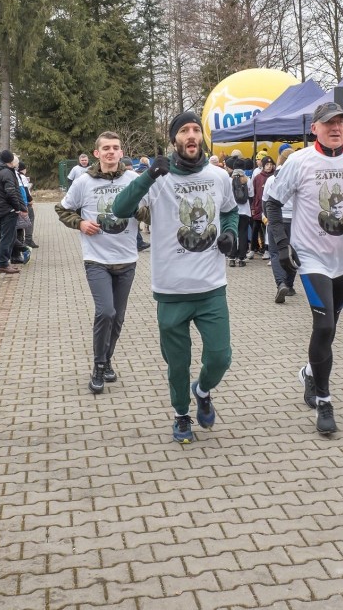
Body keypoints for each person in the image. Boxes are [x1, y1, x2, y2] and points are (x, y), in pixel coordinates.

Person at [113, 111, 239, 444]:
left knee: (221, 356)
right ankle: (181, 414)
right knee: (177, 362)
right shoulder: (158, 177)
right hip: (170, 289)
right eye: (184, 130)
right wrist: (146, 177)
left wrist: (229, 232)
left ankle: (204, 389)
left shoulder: (218, 176)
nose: (191, 135)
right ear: (174, 140)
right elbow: (120, 209)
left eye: (196, 129)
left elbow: (229, 209)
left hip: (212, 287)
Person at [266, 102, 343, 435]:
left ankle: (308, 372)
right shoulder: (300, 161)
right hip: (311, 256)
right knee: (325, 325)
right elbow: (273, 202)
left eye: (341, 122)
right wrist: (282, 242)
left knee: (330, 329)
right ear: (314, 128)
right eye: (328, 122)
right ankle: (324, 400)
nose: (336, 127)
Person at [56, 131, 148, 394]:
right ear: (96, 153)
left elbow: (152, 214)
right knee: (105, 312)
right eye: (105, 148)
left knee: (117, 318)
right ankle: (98, 366)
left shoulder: (134, 180)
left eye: (115, 148)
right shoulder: (84, 182)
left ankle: (108, 360)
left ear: (121, 153)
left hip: (127, 259)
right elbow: (62, 209)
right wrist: (81, 223)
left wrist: (136, 210)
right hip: (97, 259)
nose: (110, 152)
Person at [0, 150, 28, 274]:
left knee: (7, 237)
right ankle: (4, 264)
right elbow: (11, 192)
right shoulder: (6, 172)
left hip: (0, 208)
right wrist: (18, 207)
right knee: (7, 237)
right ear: (11, 161)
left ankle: (5, 262)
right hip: (7, 209)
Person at [264, 152, 297, 302]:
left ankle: (281, 283)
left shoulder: (271, 179)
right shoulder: (298, 177)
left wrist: (267, 218)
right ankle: (289, 284)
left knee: (276, 253)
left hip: (276, 219)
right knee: (293, 252)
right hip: (294, 220)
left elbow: (266, 201)